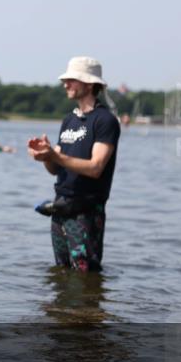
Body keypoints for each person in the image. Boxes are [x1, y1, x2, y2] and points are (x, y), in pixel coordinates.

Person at [28, 57, 120, 273]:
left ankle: (88, 308)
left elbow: (96, 167)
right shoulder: (69, 120)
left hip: (86, 212)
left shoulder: (105, 120)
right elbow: (55, 170)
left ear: (88, 84)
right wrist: (46, 156)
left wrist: (55, 156)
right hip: (61, 208)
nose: (65, 84)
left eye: (72, 80)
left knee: (84, 274)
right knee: (61, 273)